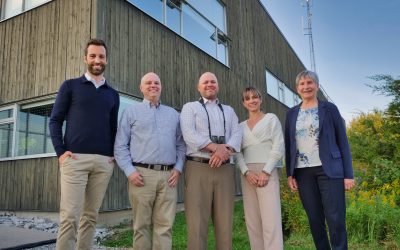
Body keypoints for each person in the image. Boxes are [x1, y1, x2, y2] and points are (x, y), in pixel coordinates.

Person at [49, 38, 120, 250]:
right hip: (75, 161)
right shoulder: (70, 86)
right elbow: (55, 120)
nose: (97, 60)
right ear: (85, 58)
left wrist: (112, 155)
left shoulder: (113, 94)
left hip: (103, 164)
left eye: (101, 56)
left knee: (90, 217)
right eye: (93, 56)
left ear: (106, 60)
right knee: (70, 217)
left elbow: (113, 128)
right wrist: (60, 152)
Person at [284, 70, 355, 250]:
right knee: (315, 219)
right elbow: (288, 145)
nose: (306, 87)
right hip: (303, 172)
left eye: (310, 83)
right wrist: (290, 174)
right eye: (302, 84)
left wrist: (349, 174)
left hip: (329, 170)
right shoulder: (291, 113)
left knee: (335, 218)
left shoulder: (329, 109)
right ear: (297, 88)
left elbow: (343, 142)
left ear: (316, 86)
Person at [114, 72, 185, 250]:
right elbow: (120, 145)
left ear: (161, 87)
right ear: (141, 88)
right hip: (141, 175)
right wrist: (130, 172)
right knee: (141, 226)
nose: (153, 85)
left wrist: (178, 168)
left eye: (156, 83)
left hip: (169, 176)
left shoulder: (173, 114)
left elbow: (181, 144)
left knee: (165, 227)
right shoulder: (131, 112)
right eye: (148, 83)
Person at [180, 72, 242, 250]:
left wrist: (226, 151)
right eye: (205, 82)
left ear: (218, 86)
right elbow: (189, 134)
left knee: (225, 221)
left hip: (224, 170)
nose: (209, 84)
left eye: (213, 81)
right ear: (199, 87)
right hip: (198, 167)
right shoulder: (190, 107)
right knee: (197, 222)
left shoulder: (229, 110)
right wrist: (216, 148)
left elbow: (237, 133)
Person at [235, 87, 284, 250]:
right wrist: (246, 172)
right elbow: (237, 152)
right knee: (253, 220)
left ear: (261, 100)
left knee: (271, 219)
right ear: (243, 103)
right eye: (248, 98)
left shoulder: (271, 119)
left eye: (255, 97)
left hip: (267, 171)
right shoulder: (240, 126)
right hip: (248, 174)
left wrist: (266, 171)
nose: (252, 100)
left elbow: (279, 146)